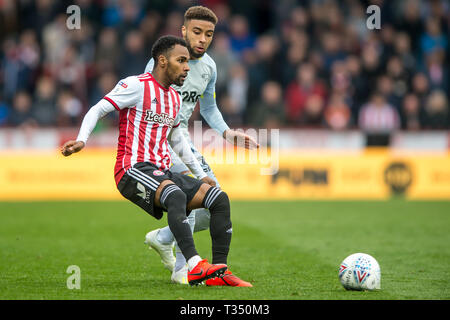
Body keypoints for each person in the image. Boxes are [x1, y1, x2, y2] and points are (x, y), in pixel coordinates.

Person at [61, 35, 231, 286]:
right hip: (132, 169)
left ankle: (219, 272)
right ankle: (194, 264)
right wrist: (82, 139)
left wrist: (199, 173)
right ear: (162, 61)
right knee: (176, 195)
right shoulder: (136, 85)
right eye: (181, 60)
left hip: (161, 170)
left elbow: (176, 139)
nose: (187, 67)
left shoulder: (174, 96)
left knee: (218, 198)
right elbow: (99, 108)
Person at [144, 6, 257, 287]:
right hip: (159, 140)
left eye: (208, 34)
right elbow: (143, 101)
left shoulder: (209, 67)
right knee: (191, 191)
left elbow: (209, 108)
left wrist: (228, 134)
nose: (202, 39)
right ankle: (182, 269)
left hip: (182, 138)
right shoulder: (163, 60)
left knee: (213, 203)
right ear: (183, 31)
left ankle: (164, 238)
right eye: (196, 32)